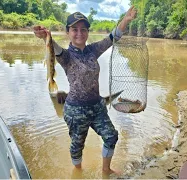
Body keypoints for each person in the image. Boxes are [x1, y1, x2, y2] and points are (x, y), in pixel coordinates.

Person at [33, 6, 137, 174]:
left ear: (88, 32)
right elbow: (54, 48)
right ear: (68, 32)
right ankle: (78, 172)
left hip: (97, 107)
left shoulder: (93, 50)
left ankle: (106, 170)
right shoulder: (66, 56)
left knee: (111, 136)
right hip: (75, 110)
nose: (79, 33)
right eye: (74, 29)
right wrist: (46, 37)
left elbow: (113, 37)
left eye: (83, 29)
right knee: (77, 145)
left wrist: (125, 20)